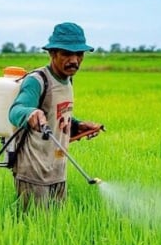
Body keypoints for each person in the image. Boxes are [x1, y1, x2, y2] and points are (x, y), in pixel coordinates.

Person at [8, 22, 102, 212]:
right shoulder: (37, 80)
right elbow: (16, 110)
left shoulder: (68, 80)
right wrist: (31, 113)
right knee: (35, 230)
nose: (74, 60)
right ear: (52, 53)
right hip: (34, 173)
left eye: (79, 54)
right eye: (67, 54)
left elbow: (57, 117)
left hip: (58, 170)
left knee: (55, 228)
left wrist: (78, 125)